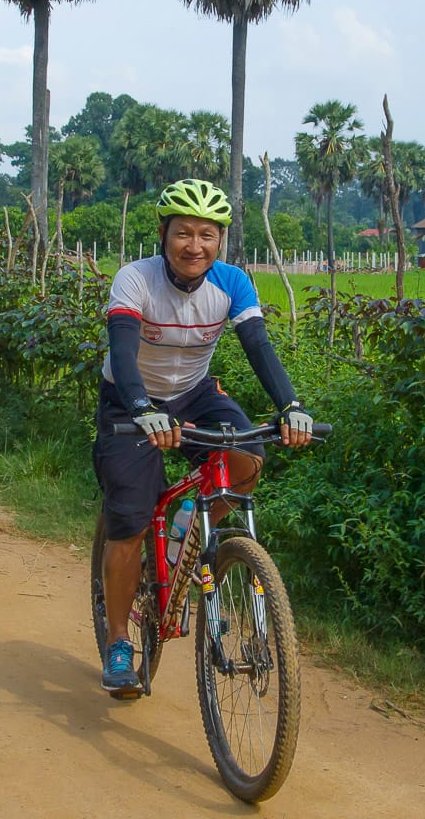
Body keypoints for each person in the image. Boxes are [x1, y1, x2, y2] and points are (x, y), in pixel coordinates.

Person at [91, 178, 315, 698]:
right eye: (184, 233)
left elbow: (258, 346)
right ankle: (121, 642)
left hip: (193, 393)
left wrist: (291, 406)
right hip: (130, 399)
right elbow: (123, 353)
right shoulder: (135, 279)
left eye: (208, 235)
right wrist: (143, 408)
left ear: (222, 241)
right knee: (127, 517)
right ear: (163, 234)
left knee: (248, 458)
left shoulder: (233, 282)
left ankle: (191, 523)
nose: (195, 246)